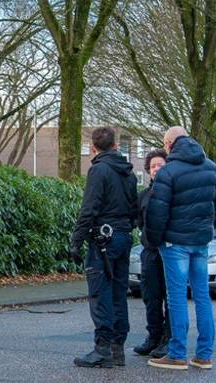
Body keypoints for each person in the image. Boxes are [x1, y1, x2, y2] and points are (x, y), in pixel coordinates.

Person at [145, 126, 216, 370]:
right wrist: (205, 229)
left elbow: (157, 213)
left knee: (177, 298)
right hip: (201, 242)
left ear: (169, 144)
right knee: (202, 296)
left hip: (174, 243)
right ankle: (204, 354)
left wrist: (155, 240)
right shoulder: (212, 168)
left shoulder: (168, 172)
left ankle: (177, 353)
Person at [70, 127, 138, 368]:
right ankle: (118, 347)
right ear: (116, 146)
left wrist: (76, 241)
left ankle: (102, 348)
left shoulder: (98, 171)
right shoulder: (129, 174)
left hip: (103, 239)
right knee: (119, 293)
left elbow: (89, 208)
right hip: (123, 237)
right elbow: (134, 208)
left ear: (93, 148)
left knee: (100, 293)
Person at [133, 148, 171, 358]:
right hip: (149, 252)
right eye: (153, 166)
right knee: (151, 296)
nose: (156, 169)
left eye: (160, 165)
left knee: (170, 297)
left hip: (169, 251)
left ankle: (169, 338)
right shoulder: (144, 195)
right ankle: (153, 336)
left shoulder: (173, 192)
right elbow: (139, 220)